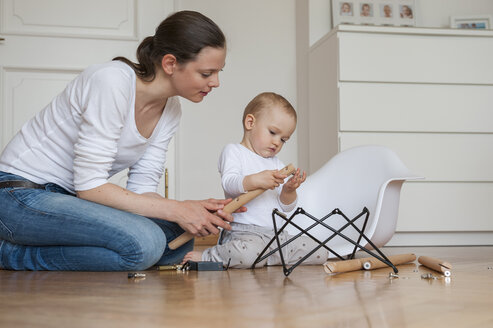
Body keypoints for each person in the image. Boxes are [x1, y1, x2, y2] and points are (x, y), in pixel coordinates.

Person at [0, 10, 240, 271]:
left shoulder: (171, 110)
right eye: (207, 73)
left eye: (218, 72)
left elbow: (141, 188)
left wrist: (190, 211)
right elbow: (90, 186)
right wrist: (177, 209)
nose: (215, 82)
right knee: (145, 244)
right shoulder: (111, 81)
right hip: (19, 195)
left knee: (176, 240)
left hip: (70, 200)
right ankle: (9, 254)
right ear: (170, 64)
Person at [182, 92, 329, 268]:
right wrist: (257, 180)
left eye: (283, 139)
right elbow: (229, 182)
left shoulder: (277, 163)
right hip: (244, 233)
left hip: (276, 235)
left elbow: (286, 207)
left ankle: (266, 258)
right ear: (250, 123)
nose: (277, 142)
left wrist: (289, 191)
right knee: (247, 253)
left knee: (320, 251)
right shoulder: (234, 151)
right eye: (273, 132)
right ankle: (209, 256)